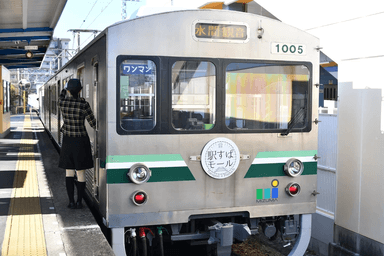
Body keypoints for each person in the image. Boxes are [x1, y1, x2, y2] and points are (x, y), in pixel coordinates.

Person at [58, 79, 96, 209]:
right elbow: (93, 123)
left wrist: (65, 88)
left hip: (68, 141)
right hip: (81, 141)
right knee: (80, 173)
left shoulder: (62, 102)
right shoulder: (83, 104)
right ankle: (79, 202)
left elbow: (61, 94)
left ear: (68, 90)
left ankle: (71, 202)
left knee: (69, 172)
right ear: (80, 91)